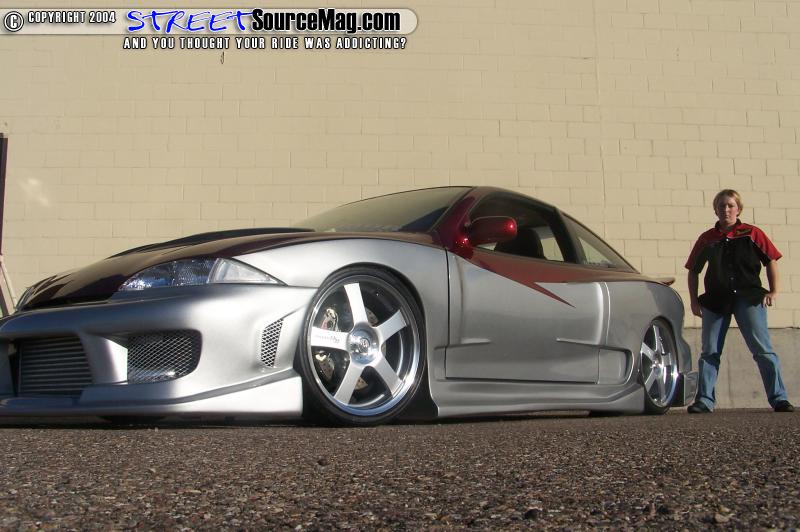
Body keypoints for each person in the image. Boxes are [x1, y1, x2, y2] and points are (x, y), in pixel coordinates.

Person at [685, 189, 793, 413]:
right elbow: (693, 270)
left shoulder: (752, 233)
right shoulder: (707, 238)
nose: (726, 209)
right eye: (721, 206)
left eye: (730, 205)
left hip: (749, 298)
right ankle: (704, 400)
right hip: (716, 300)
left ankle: (779, 398)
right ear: (715, 210)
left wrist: (774, 291)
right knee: (710, 351)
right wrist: (694, 301)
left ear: (738, 209)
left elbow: (771, 260)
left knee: (763, 350)